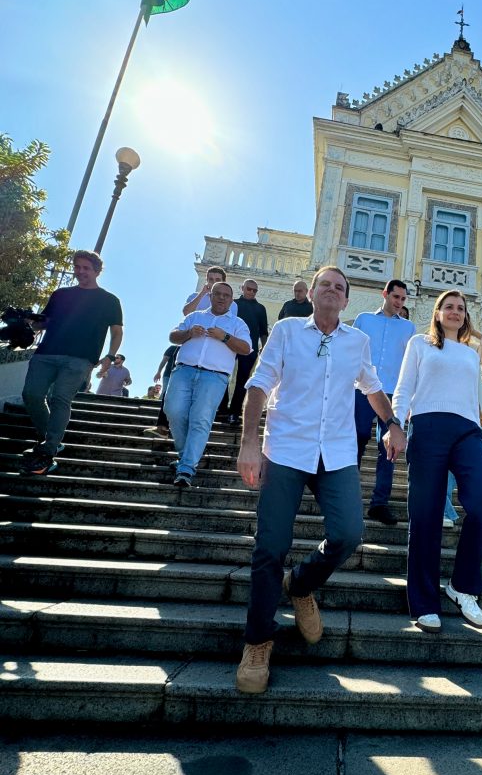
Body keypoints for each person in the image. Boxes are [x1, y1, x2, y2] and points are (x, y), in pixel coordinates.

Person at [234, 266, 406, 694]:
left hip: (336, 453)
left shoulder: (357, 341)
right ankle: (257, 642)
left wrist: (393, 423)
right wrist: (249, 441)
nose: (332, 291)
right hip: (286, 449)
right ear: (311, 292)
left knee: (349, 532)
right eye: (324, 284)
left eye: (340, 288)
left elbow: (372, 386)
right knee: (270, 547)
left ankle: (302, 584)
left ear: (347, 301)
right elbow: (259, 383)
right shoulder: (288, 330)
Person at [390, 289, 482, 633]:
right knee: (426, 516)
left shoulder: (470, 353)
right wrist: (395, 424)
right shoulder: (420, 344)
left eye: (461, 309)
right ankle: (424, 602)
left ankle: (462, 587)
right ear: (436, 313)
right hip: (427, 426)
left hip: (467, 431)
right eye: (448, 307)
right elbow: (404, 387)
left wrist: (470, 329)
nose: (455, 312)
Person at [20, 249, 123, 475]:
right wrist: (28, 322)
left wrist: (109, 356)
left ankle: (47, 452)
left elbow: (116, 332)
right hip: (47, 352)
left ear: (96, 271)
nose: (80, 272)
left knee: (60, 398)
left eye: (86, 268)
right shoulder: (60, 294)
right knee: (32, 395)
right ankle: (50, 439)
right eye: (77, 267)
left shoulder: (109, 300)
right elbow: (44, 322)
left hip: (81, 358)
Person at [164, 283, 252, 487]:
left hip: (215, 376)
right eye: (218, 294)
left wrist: (225, 337)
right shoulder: (195, 317)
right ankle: (186, 456)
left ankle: (186, 468)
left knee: (201, 419)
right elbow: (172, 336)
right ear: (211, 296)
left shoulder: (237, 323)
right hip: (184, 370)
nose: (222, 298)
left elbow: (246, 348)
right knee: (173, 411)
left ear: (232, 300)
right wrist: (188, 334)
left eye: (226, 296)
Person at [353, 279, 416, 525]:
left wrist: (409, 400)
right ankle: (346, 497)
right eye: (396, 297)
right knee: (356, 439)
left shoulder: (409, 328)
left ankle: (379, 504)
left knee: (388, 448)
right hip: (361, 390)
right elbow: (351, 353)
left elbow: (411, 366)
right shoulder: (363, 319)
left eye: (403, 299)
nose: (399, 303)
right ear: (385, 294)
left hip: (391, 393)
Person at [227, 278, 269, 425]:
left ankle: (234, 412)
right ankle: (221, 409)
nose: (251, 292)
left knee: (242, 381)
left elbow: (264, 331)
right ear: (242, 288)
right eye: (249, 289)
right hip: (228, 346)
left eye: (254, 290)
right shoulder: (234, 305)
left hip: (249, 350)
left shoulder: (260, 308)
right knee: (222, 377)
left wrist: (265, 348)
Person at [143, 343, 179, 439]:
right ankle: (163, 424)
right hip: (169, 374)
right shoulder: (173, 348)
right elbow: (164, 360)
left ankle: (166, 425)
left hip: (182, 376)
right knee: (166, 395)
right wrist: (159, 371)